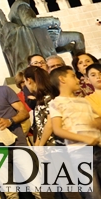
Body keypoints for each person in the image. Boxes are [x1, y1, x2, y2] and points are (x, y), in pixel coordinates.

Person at [49, 66, 101, 198]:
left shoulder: (84, 101)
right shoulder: (56, 103)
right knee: (93, 194)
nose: (78, 79)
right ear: (62, 79)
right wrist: (84, 138)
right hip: (80, 153)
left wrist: (96, 123)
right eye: (73, 76)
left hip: (98, 148)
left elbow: (96, 121)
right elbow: (57, 129)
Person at [23, 66, 56, 146]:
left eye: (24, 81)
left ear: (29, 80)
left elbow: (50, 123)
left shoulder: (49, 98)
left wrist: (41, 145)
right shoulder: (40, 99)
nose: (25, 85)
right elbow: (41, 127)